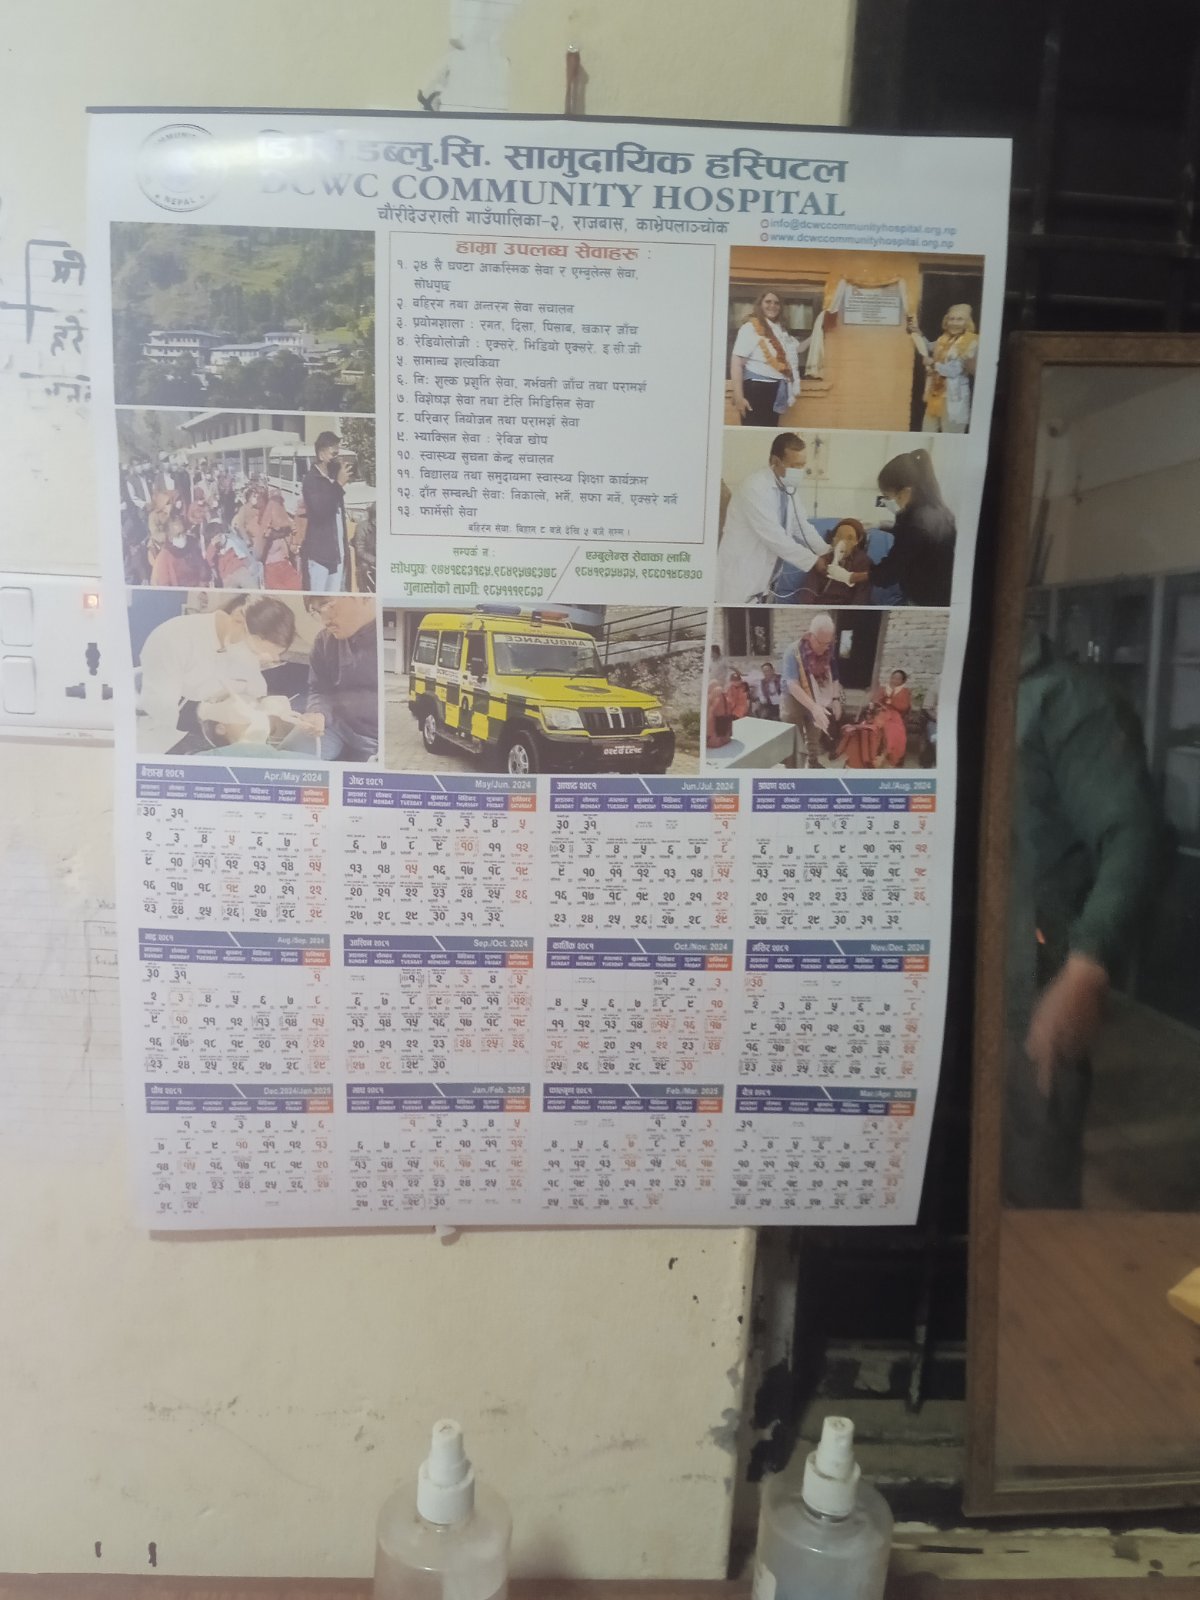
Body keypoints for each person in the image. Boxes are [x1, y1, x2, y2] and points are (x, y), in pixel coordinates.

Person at [1004, 630, 1166, 1209]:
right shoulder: (959, 695)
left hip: (1025, 992)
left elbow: (1133, 837)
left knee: (1029, 1199)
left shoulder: (1065, 698)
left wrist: (1086, 967)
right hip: (937, 998)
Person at [136, 595, 296, 753]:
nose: (258, 660)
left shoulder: (241, 644)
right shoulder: (173, 639)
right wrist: (206, 711)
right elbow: (160, 717)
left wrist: (272, 708)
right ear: (238, 620)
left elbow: (253, 688)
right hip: (160, 732)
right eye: (256, 652)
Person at [718, 432, 831, 603]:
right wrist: (814, 561)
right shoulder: (754, 487)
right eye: (795, 466)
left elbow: (800, 525)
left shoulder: (788, 487)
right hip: (741, 575)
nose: (800, 472)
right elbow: (774, 536)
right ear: (775, 461)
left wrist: (826, 551)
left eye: (802, 465)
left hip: (765, 578)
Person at [281, 596, 378, 761]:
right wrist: (317, 712)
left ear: (365, 596)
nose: (324, 621)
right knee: (282, 759)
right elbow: (319, 689)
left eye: (327, 605)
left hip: (375, 740)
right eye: (318, 612)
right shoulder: (324, 641)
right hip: (333, 725)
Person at [868, 450, 957, 607]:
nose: (887, 502)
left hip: (925, 600)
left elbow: (888, 574)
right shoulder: (941, 512)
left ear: (906, 492)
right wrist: (881, 525)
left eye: (887, 496)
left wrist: (854, 576)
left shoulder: (913, 523)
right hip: (943, 594)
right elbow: (920, 541)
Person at [730, 289, 803, 427]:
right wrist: (739, 397)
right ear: (760, 305)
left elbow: (797, 349)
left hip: (776, 388)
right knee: (754, 434)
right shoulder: (750, 327)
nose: (772, 306)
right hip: (756, 388)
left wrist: (817, 333)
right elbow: (737, 362)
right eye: (768, 302)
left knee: (769, 434)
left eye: (776, 303)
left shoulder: (780, 330)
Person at [781, 613, 844, 768]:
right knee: (793, 736)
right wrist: (814, 708)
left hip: (817, 694)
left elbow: (834, 674)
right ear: (810, 636)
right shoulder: (793, 652)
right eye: (821, 643)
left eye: (828, 643)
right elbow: (793, 685)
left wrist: (835, 699)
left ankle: (813, 762)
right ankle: (792, 770)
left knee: (815, 732)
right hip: (794, 698)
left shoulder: (828, 648)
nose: (825, 648)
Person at [912, 303, 978, 433]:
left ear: (967, 322)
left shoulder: (970, 342)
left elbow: (954, 371)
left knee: (951, 435)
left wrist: (932, 364)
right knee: (927, 432)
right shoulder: (944, 338)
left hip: (953, 397)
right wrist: (919, 334)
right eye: (951, 319)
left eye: (959, 319)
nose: (954, 323)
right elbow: (930, 347)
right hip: (935, 394)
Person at [301, 431, 350, 592]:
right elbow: (321, 511)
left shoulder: (332, 478)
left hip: (337, 554)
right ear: (321, 455)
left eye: (338, 454)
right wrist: (338, 485)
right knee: (319, 600)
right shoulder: (311, 480)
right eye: (333, 454)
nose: (336, 458)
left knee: (334, 601)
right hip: (320, 556)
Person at [839, 669, 913, 769]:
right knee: (866, 727)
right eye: (893, 678)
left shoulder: (905, 691)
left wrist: (892, 701)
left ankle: (886, 755)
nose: (894, 680)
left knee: (892, 732)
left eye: (898, 679)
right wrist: (881, 702)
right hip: (880, 713)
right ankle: (864, 755)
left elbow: (904, 706)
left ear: (902, 681)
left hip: (894, 715)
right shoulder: (883, 689)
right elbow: (875, 700)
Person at [797, 517, 872, 605]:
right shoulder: (822, 561)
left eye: (850, 538)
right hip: (820, 607)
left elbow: (861, 599)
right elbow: (808, 594)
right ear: (833, 538)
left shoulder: (863, 562)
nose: (843, 542)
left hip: (845, 609)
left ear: (857, 541)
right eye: (839, 536)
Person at [150, 516, 212, 588]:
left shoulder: (192, 546)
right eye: (178, 535)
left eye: (183, 533)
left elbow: (203, 570)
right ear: (169, 537)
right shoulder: (163, 557)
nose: (182, 537)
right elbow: (164, 586)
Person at [204, 518, 259, 590]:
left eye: (219, 535)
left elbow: (242, 554)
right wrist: (212, 546)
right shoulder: (212, 551)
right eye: (213, 537)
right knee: (229, 594)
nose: (218, 538)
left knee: (252, 588)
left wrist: (248, 568)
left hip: (240, 570)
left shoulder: (230, 541)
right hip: (227, 577)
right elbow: (209, 561)